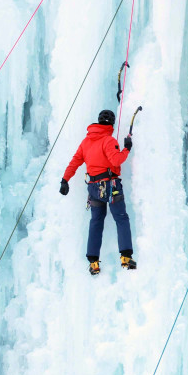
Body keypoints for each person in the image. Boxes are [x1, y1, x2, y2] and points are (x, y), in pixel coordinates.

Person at [59, 109, 136, 275]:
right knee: (121, 218)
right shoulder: (108, 140)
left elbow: (75, 162)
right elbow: (116, 160)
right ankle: (126, 257)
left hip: (94, 188)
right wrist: (126, 149)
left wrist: (65, 180)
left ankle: (93, 262)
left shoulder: (86, 142)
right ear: (112, 124)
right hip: (110, 186)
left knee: (96, 221)